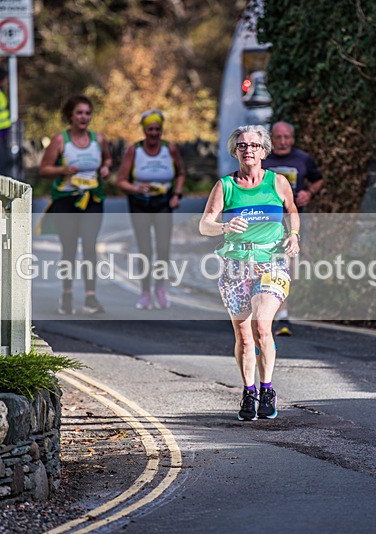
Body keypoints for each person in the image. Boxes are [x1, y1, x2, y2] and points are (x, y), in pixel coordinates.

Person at [199, 124, 300, 421]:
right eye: (242, 145)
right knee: (243, 336)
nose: (248, 150)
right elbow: (204, 225)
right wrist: (225, 227)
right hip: (235, 264)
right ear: (235, 151)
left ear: (264, 151)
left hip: (272, 261)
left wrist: (294, 235)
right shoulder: (225, 186)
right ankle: (248, 391)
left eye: (254, 145)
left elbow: (292, 209)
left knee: (262, 325)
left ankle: (267, 388)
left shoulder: (277, 182)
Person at [39, 95, 112, 315]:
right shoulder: (60, 140)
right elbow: (44, 169)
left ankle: (90, 297)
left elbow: (107, 159)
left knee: (90, 246)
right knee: (69, 248)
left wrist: (106, 168)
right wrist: (63, 170)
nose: (83, 117)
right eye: (79, 113)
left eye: (87, 113)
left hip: (92, 199)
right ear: (70, 115)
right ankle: (67, 295)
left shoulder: (97, 139)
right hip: (66, 199)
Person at [115, 109, 185, 309]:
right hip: (140, 203)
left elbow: (180, 173)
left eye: (157, 129)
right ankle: (145, 291)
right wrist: (135, 188)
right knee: (145, 249)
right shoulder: (134, 150)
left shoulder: (169, 149)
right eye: (150, 129)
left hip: (163, 202)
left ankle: (160, 288)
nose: (154, 133)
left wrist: (176, 195)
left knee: (163, 248)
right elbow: (120, 181)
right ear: (144, 130)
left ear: (161, 130)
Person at [261, 121, 324, 336]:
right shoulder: (263, 159)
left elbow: (317, 180)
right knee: (262, 265)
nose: (283, 142)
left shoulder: (302, 159)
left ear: (293, 139)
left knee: (286, 266)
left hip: (292, 221)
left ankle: (282, 314)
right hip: (264, 222)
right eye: (278, 137)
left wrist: (309, 193)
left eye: (287, 137)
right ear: (272, 139)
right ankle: (270, 312)